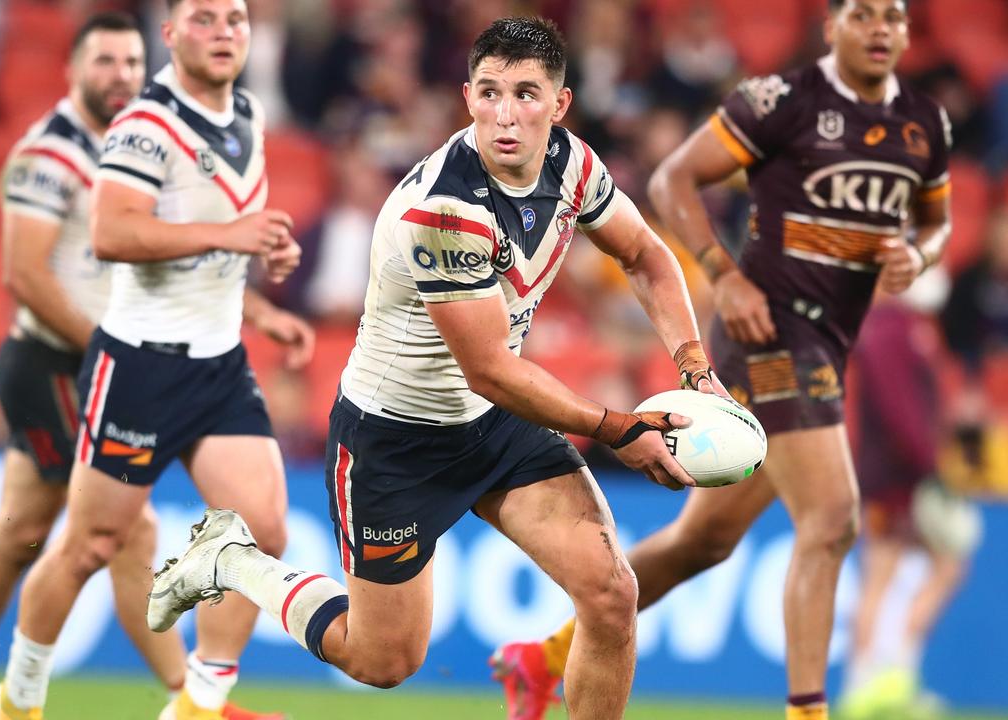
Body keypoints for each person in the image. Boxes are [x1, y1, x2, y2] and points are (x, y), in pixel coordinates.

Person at [146, 17, 720, 720]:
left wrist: (695, 369)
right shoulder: (445, 210)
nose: (505, 115)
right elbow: (489, 369)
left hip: (494, 427)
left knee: (610, 594)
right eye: (488, 92)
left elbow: (645, 256)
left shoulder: (572, 164)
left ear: (560, 105)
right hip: (395, 441)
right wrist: (615, 427)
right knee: (381, 661)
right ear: (466, 96)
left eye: (526, 94)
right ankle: (229, 562)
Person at [490, 3, 953, 719]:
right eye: (861, 13)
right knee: (831, 519)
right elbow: (674, 179)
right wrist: (722, 272)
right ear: (830, 25)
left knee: (700, 543)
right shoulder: (778, 103)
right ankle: (808, 712)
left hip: (828, 344)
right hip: (766, 332)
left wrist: (916, 253)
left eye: (893, 13)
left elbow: (936, 220)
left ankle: (540, 658)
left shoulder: (926, 124)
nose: (880, 27)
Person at [0, 1, 310, 719]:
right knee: (90, 543)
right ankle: (19, 698)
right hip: (138, 366)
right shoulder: (144, 124)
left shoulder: (248, 115)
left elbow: (224, 233)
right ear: (168, 34)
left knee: (261, 529)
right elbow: (113, 233)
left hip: (218, 365)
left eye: (234, 18)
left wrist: (265, 256)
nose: (223, 32)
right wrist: (232, 231)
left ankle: (199, 703)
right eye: (202, 19)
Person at [0, 14, 187, 720]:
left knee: (22, 531)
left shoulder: (134, 154)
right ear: (71, 70)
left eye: (130, 63)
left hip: (87, 364)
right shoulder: (48, 153)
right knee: (130, 529)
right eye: (104, 62)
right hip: (57, 364)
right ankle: (195, 702)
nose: (119, 76)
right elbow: (24, 275)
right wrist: (111, 349)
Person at [841, 275, 981, 720]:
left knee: (884, 572)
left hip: (890, 474)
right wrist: (929, 466)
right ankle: (884, 678)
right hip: (900, 478)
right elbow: (902, 409)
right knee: (923, 567)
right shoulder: (895, 331)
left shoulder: (898, 329)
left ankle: (875, 682)